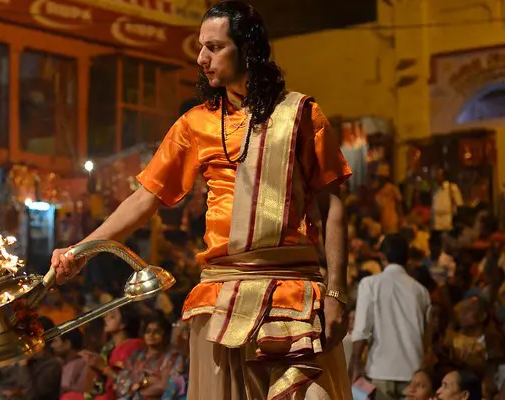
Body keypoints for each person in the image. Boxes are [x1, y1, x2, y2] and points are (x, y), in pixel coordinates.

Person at [51, 1, 352, 398]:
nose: (201, 58)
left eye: (214, 47)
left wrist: (336, 294)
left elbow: (333, 207)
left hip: (294, 293)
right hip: (221, 296)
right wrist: (82, 249)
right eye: (200, 47)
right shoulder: (195, 123)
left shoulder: (301, 115)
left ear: (248, 49)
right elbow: (145, 199)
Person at [350, 234, 431, 400]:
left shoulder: (370, 284)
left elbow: (361, 330)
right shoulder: (421, 291)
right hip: (413, 372)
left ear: (381, 256)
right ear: (407, 258)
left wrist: (356, 363)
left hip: (381, 370)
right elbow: (427, 335)